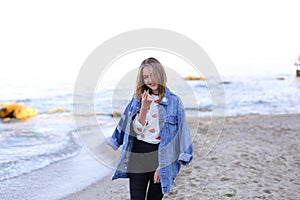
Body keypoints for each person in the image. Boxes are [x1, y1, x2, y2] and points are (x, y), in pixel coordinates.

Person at [107, 57, 193, 200]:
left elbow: (182, 133)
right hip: (138, 156)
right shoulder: (138, 99)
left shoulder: (174, 102)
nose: (150, 80)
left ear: (161, 74)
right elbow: (135, 130)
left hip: (160, 156)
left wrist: (162, 166)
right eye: (145, 77)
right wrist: (144, 108)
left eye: (153, 75)